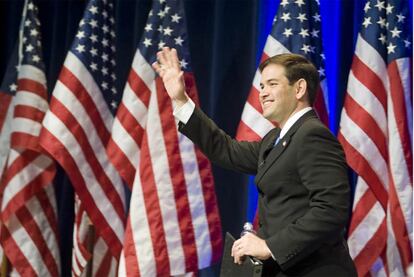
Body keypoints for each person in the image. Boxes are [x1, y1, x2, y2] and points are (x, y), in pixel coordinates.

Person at [153, 47, 357, 277]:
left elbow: (331, 210)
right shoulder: (275, 139)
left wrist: (269, 246)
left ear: (299, 88)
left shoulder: (312, 136)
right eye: (261, 86)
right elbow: (225, 149)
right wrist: (181, 100)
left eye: (272, 84)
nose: (263, 93)